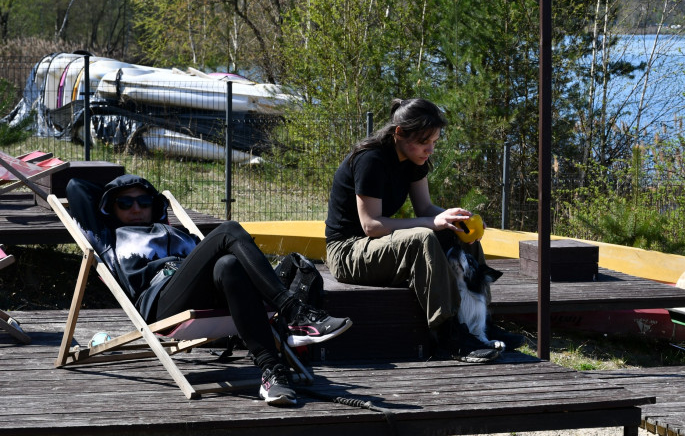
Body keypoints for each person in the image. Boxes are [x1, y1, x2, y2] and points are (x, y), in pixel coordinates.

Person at [66, 174, 352, 406]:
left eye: (143, 200)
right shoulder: (108, 238)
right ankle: (293, 312)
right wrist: (114, 189)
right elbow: (75, 187)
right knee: (228, 230)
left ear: (154, 205)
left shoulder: (178, 233)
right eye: (124, 203)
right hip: (161, 301)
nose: (136, 208)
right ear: (110, 209)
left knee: (228, 264)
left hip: (201, 292)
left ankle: (272, 373)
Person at [324, 98, 520, 362]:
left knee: (460, 231)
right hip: (348, 252)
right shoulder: (371, 159)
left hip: (378, 248)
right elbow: (371, 225)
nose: (430, 149)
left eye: (435, 142)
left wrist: (456, 217)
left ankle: (481, 325)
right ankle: (449, 335)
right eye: (424, 141)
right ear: (399, 133)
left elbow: (425, 208)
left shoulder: (414, 160)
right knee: (422, 237)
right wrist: (433, 223)